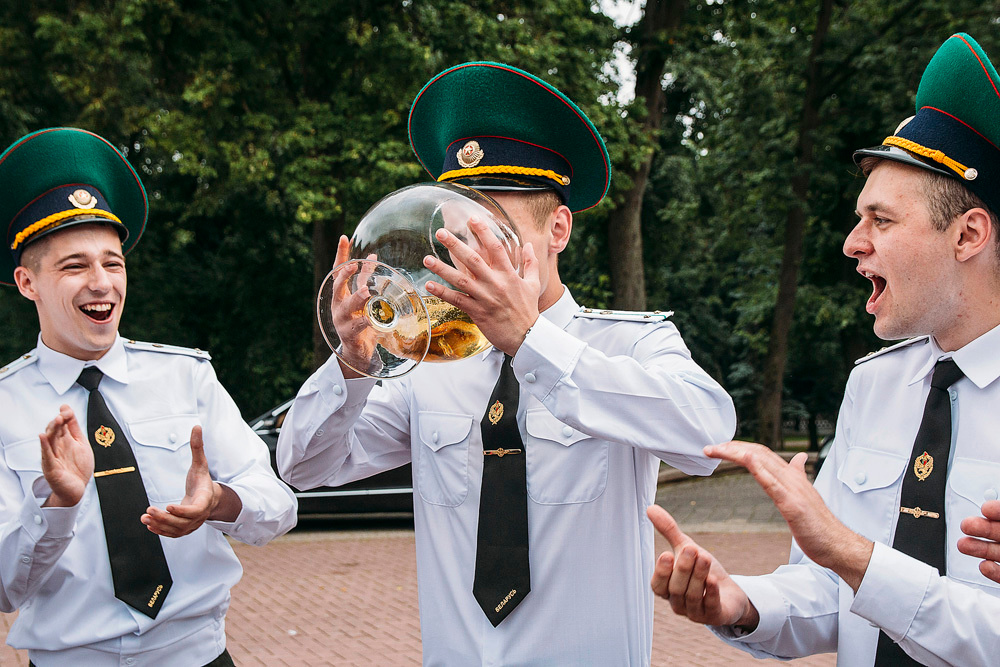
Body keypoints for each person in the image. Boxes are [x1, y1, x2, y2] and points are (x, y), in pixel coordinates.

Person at [278, 62, 737, 665]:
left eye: (497, 233)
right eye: (458, 235)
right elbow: (304, 466)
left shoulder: (627, 345)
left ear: (559, 231)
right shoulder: (428, 361)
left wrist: (530, 340)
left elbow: (709, 433)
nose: (475, 256)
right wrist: (355, 362)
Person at [647, 33, 1000, 665]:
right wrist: (741, 604)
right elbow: (833, 594)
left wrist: (850, 554)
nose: (852, 243)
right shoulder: (875, 385)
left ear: (968, 234)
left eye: (881, 221)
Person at [0, 127, 298, 666]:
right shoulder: (4, 406)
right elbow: (3, 589)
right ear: (27, 283)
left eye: (113, 262)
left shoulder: (186, 377)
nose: (102, 283)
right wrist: (55, 503)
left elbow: (278, 504)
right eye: (74, 266)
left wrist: (218, 503)